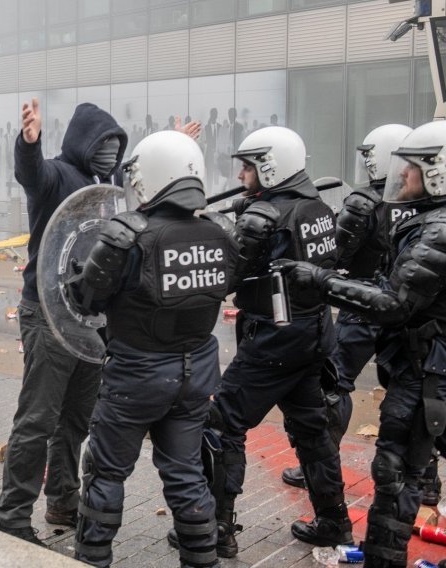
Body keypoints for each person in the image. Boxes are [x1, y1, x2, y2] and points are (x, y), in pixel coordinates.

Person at [68, 130, 240, 568]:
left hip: (137, 375)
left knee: (105, 473)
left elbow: (88, 300)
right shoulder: (220, 231)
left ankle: (91, 559)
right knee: (186, 474)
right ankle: (202, 561)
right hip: (197, 371)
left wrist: (76, 276)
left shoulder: (127, 235)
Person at [278, 120, 446, 568]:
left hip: (428, 368)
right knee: (407, 464)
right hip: (427, 364)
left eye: (411, 168)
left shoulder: (436, 231)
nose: (403, 177)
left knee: (394, 472)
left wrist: (321, 280)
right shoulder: (429, 222)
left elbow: (395, 303)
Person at [203, 126, 354, 558]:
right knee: (313, 433)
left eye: (249, 166)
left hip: (272, 339)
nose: (243, 173)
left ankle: (218, 530)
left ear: (270, 168)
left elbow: (227, 274)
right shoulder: (317, 207)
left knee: (222, 423)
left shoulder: (263, 216)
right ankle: (334, 521)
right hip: (313, 333)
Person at [0, 99, 128, 546]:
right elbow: (32, 175)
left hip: (88, 323)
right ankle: (11, 515)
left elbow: (139, 187)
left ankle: (63, 499)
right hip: (47, 315)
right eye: (103, 143)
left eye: (116, 145)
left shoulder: (105, 184)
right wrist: (28, 143)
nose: (110, 152)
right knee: (38, 419)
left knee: (75, 420)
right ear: (83, 142)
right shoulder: (56, 176)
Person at [281, 124, 414, 490]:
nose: (368, 162)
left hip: (361, 300)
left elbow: (334, 255)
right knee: (409, 389)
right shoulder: (419, 202)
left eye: (372, 154)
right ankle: (424, 478)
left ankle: (320, 465)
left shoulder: (363, 201)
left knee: (335, 383)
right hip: (405, 304)